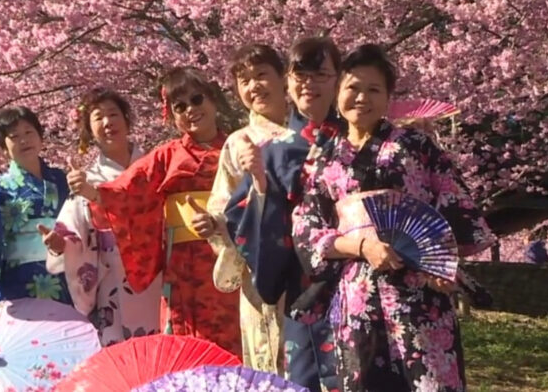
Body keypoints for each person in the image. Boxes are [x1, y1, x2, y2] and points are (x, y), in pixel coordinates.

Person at [291, 44, 496, 391]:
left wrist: (442, 262)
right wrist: (361, 245)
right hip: (358, 292)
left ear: (388, 98)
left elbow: (455, 202)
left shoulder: (416, 145)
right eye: (353, 88)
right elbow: (307, 226)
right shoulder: (322, 158)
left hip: (420, 289)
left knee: (431, 382)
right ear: (337, 92)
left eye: (374, 89)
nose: (362, 98)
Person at [70, 67, 242, 356]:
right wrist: (91, 191)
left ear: (213, 99)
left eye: (197, 99)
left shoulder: (237, 147)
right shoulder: (167, 155)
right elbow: (129, 190)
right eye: (180, 107)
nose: (190, 110)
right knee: (189, 346)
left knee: (236, 337)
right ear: (171, 116)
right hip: (184, 265)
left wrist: (221, 222)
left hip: (231, 257)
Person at [224, 36, 345, 391]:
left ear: (338, 79)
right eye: (300, 75)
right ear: (288, 82)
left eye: (321, 75)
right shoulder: (273, 152)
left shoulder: (360, 141)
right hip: (304, 287)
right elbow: (240, 221)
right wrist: (261, 187)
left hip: (361, 283)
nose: (309, 84)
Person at [189, 44, 289, 373]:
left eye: (262, 75)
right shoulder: (237, 142)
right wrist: (213, 223)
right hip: (260, 265)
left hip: (306, 263)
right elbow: (223, 204)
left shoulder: (308, 133)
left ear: (284, 78)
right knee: (267, 361)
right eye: (244, 81)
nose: (254, 86)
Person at [41, 89, 162, 346]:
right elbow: (72, 231)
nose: (108, 122)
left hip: (159, 273)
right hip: (114, 277)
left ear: (127, 120)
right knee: (120, 353)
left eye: (113, 114)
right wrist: (61, 244)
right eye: (98, 117)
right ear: (90, 131)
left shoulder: (155, 166)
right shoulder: (88, 179)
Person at [0, 106, 72, 304]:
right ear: (3, 147)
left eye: (29, 132)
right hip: (17, 282)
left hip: (63, 275)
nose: (23, 140)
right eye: (14, 136)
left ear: (40, 137)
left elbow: (81, 226)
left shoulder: (63, 180)